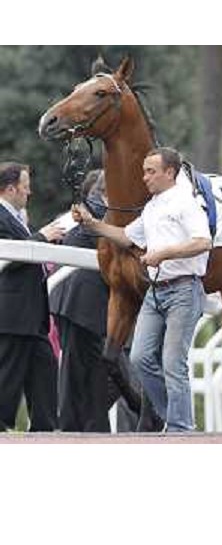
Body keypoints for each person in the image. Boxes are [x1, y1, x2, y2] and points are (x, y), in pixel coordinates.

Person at [72, 147, 212, 432]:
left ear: (170, 173)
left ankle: (180, 428)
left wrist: (163, 254)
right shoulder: (152, 207)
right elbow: (125, 236)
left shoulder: (186, 203)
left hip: (184, 291)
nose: (144, 177)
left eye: (151, 171)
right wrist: (91, 223)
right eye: (144, 171)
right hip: (156, 292)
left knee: (173, 363)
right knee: (139, 358)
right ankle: (174, 419)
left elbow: (203, 241)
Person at [0, 161, 65, 431]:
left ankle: (45, 430)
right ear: (11, 189)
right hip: (11, 313)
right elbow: (10, 255)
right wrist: (42, 236)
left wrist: (48, 239)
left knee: (45, 367)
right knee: (7, 376)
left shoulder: (17, 217)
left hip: (32, 314)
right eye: (26, 188)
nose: (30, 193)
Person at [49, 169, 112, 432]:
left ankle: (86, 426)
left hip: (76, 301)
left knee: (85, 370)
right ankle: (80, 427)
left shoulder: (91, 208)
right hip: (81, 303)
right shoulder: (98, 211)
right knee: (84, 371)